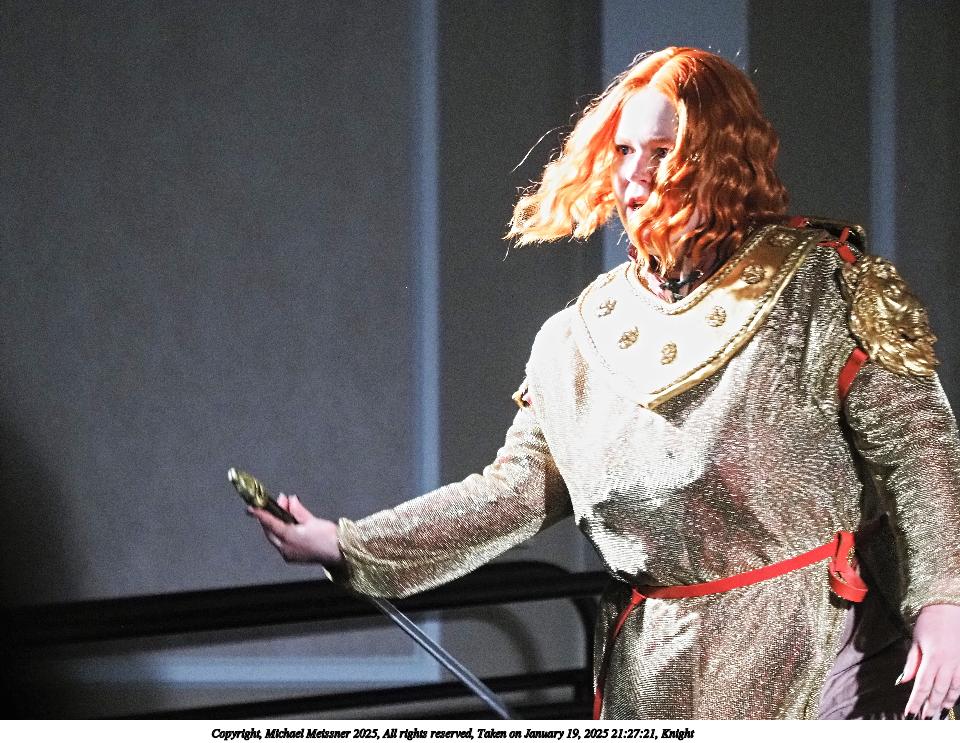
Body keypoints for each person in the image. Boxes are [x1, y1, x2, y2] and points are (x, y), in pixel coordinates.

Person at [250, 47, 960, 720]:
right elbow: (514, 492)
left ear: (722, 159)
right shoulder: (577, 338)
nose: (635, 175)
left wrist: (943, 603)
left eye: (663, 152)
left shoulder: (825, 288)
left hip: (818, 652)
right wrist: (348, 544)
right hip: (653, 672)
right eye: (623, 151)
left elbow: (920, 453)